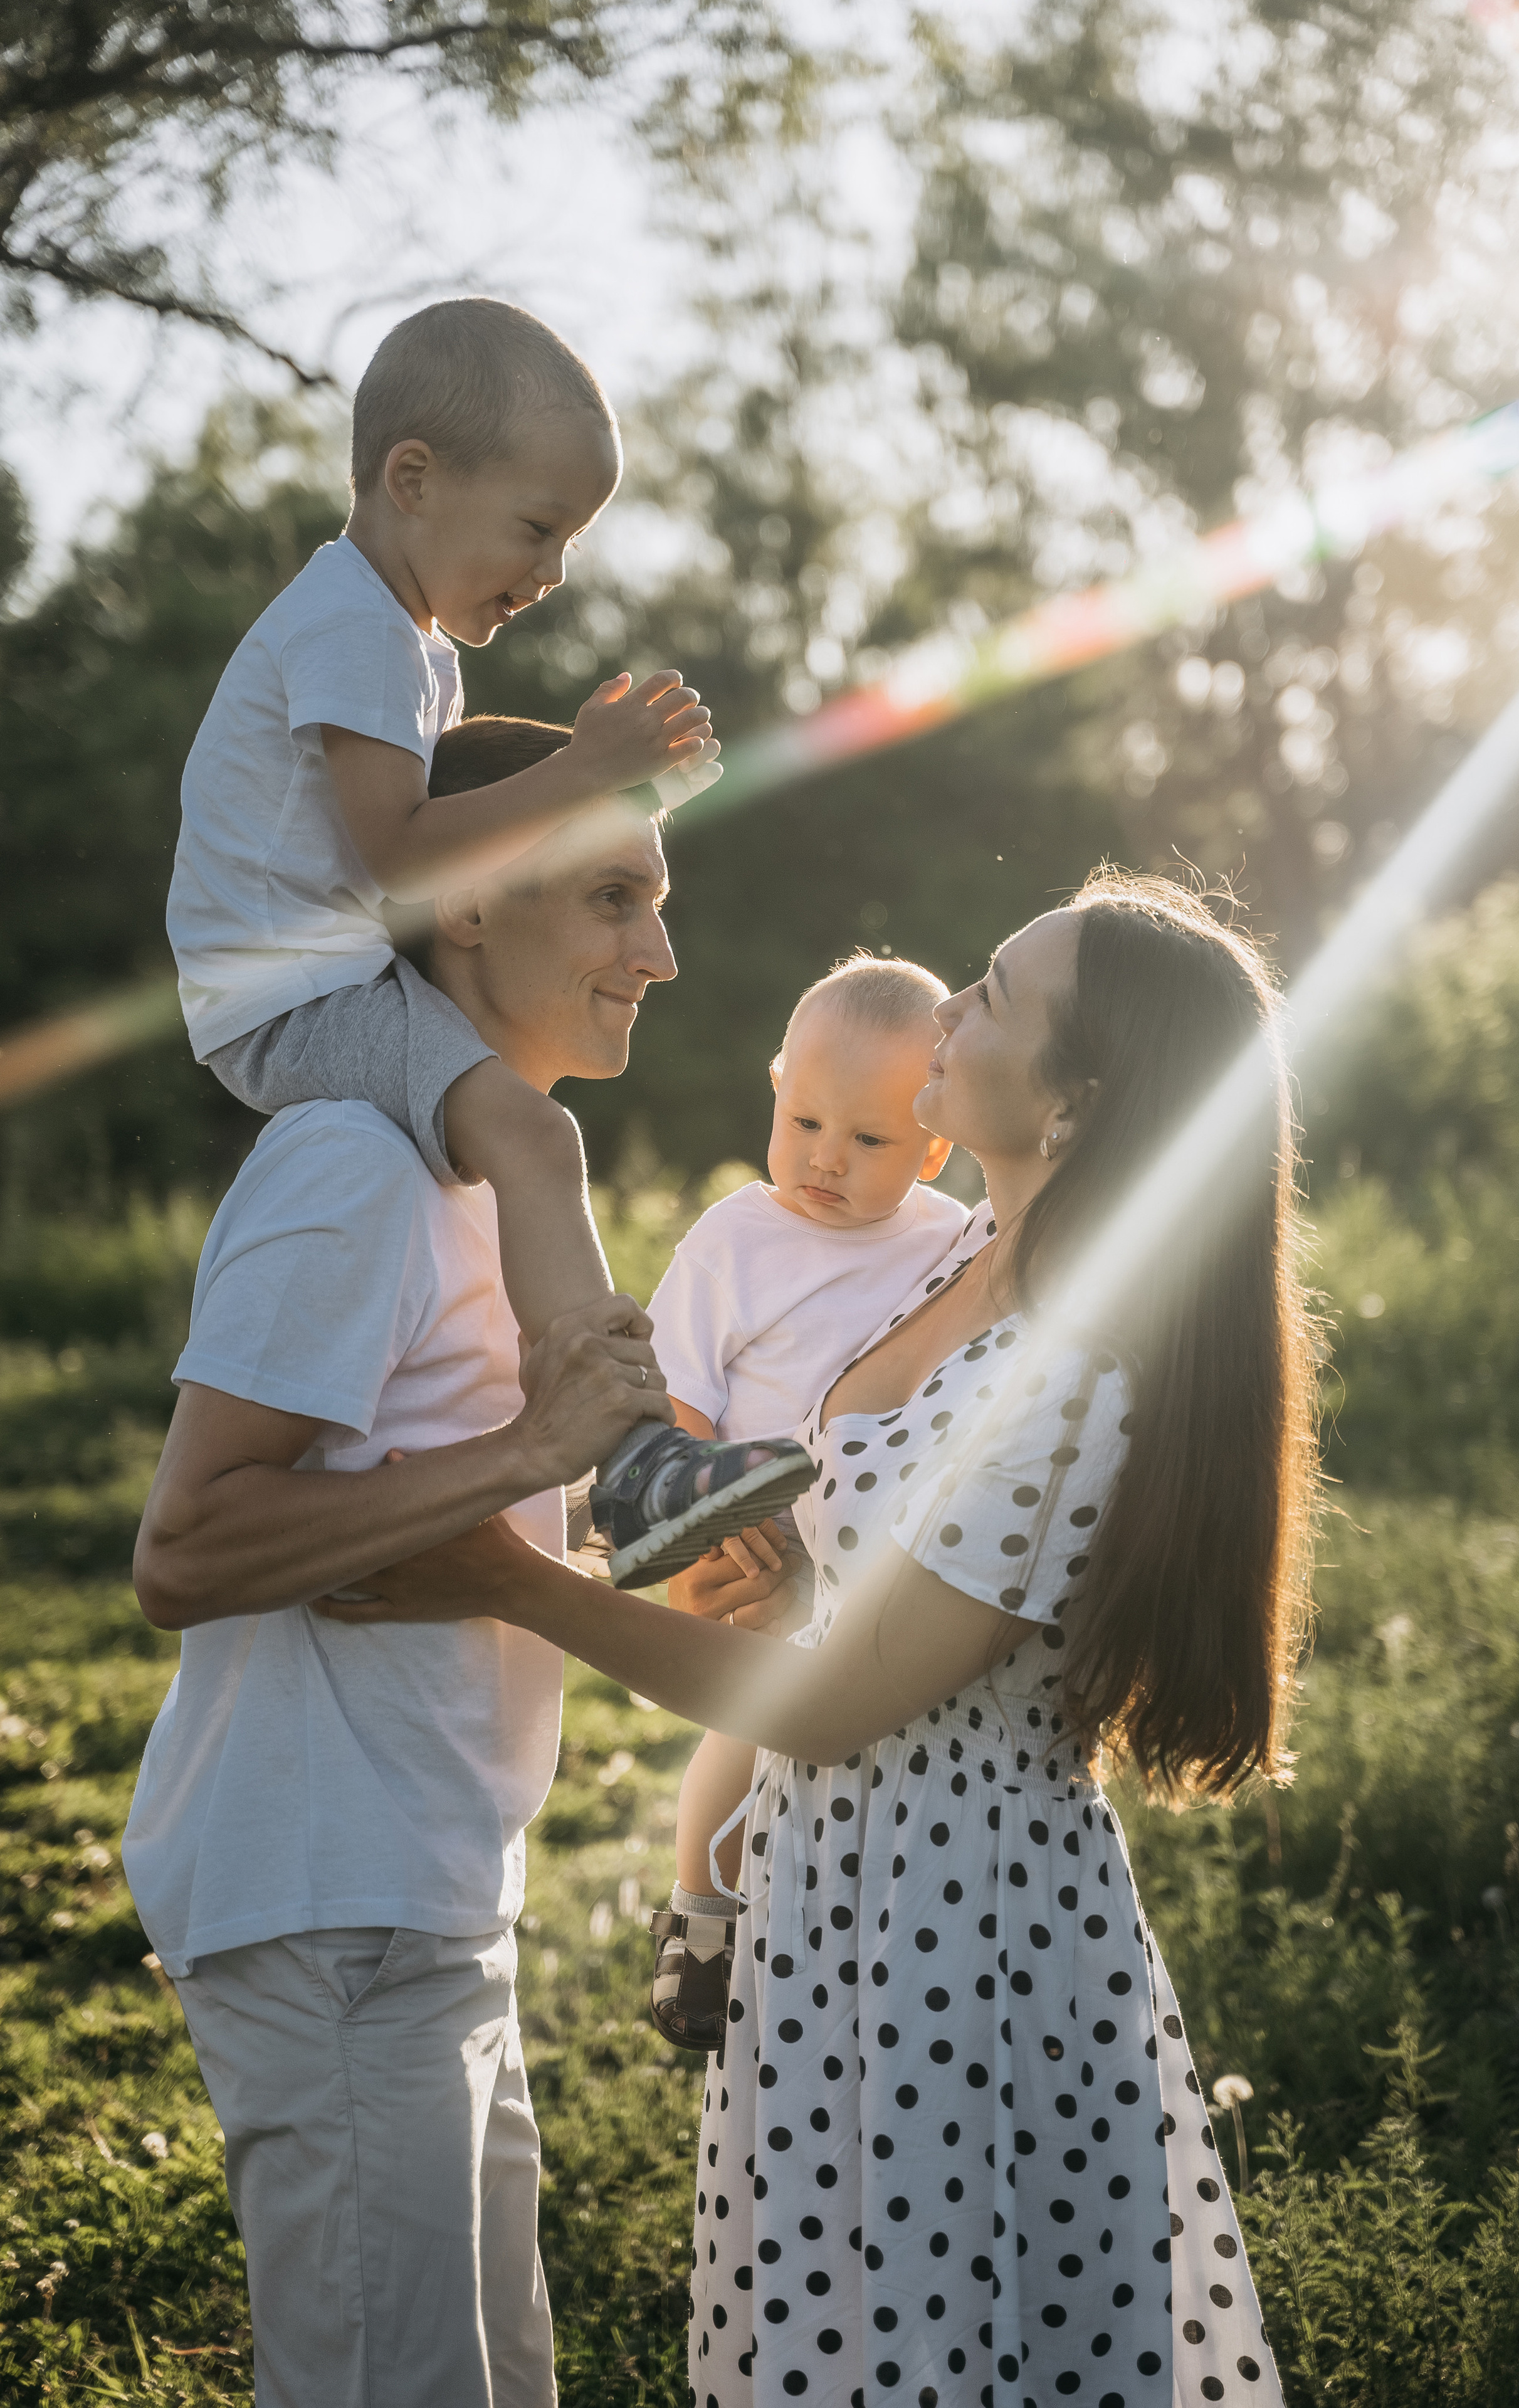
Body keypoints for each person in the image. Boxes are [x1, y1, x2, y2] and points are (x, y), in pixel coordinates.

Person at [320, 867, 1316, 2406]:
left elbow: (840, 1707)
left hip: (954, 1924)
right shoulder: (951, 1257)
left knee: (920, 2346)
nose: (954, 1003)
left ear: (1074, 1103)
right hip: (832, 1887)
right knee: (832, 2329)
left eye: (994, 990)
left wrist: (516, 1584)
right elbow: (852, 1613)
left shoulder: (1074, 1368)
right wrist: (778, 1577)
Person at [126, 746, 700, 2408]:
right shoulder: (352, 1168)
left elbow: (434, 1516)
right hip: (332, 1897)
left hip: (432, 1889)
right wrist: (527, 1461)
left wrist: (639, 1536)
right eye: (614, 896)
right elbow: (186, 1549)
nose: (658, 954)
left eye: (661, 906)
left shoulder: (482, 1192)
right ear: (461, 898)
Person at [165, 293, 813, 1586]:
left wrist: (602, 788)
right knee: (533, 1133)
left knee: (516, 1136)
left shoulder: (406, 646)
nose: (552, 569)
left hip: (316, 981)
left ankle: (616, 1458)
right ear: (412, 479)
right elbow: (409, 854)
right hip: (294, 998)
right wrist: (581, 769)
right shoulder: (354, 623)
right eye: (536, 526)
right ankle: (630, 1460)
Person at [644, 952, 969, 2047]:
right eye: (804, 1120)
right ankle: (702, 1913)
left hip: (882, 1552)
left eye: (869, 1141)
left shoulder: (954, 1243)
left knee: (853, 1750)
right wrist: (704, 1527)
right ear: (774, 1086)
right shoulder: (737, 1237)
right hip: (756, 1541)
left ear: (936, 1146)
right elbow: (678, 1400)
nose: (826, 1160)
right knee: (749, 1728)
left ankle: (840, 1939)